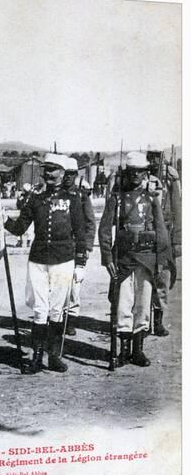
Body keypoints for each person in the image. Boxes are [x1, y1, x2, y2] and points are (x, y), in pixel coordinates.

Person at [4, 153, 86, 373]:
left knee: (57, 309)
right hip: (38, 259)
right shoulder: (35, 199)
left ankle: (54, 356)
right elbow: (20, 227)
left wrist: (80, 263)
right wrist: (2, 220)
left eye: (53, 170)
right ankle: (37, 358)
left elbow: (80, 232)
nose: (48, 174)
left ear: (62, 172)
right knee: (40, 309)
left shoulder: (73, 200)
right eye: (46, 170)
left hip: (63, 260)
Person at [98, 152, 170, 367]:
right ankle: (123, 351)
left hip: (146, 258)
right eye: (132, 172)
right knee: (123, 304)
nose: (136, 176)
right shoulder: (117, 198)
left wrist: (160, 259)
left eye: (140, 171)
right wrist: (107, 256)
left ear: (145, 173)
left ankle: (138, 351)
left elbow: (161, 229)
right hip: (124, 259)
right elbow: (104, 229)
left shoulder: (151, 199)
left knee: (143, 303)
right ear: (126, 173)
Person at [146, 151, 181, 336]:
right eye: (149, 156)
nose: (153, 161)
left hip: (165, 234)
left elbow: (177, 208)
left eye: (156, 157)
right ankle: (142, 323)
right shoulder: (138, 176)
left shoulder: (171, 178)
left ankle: (158, 321)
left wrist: (177, 240)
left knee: (163, 278)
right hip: (145, 233)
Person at [63, 158, 96, 335]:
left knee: (75, 286)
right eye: (65, 174)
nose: (67, 178)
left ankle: (71, 319)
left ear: (76, 176)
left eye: (71, 174)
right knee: (59, 284)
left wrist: (88, 247)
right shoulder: (56, 194)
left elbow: (90, 223)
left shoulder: (82, 197)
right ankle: (58, 319)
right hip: (60, 248)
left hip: (78, 247)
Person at [16, 183, 33, 247]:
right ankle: (20, 241)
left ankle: (28, 242)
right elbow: (18, 206)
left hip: (29, 214)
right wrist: (19, 200)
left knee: (30, 229)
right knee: (20, 227)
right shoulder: (22, 197)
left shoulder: (32, 197)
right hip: (23, 214)